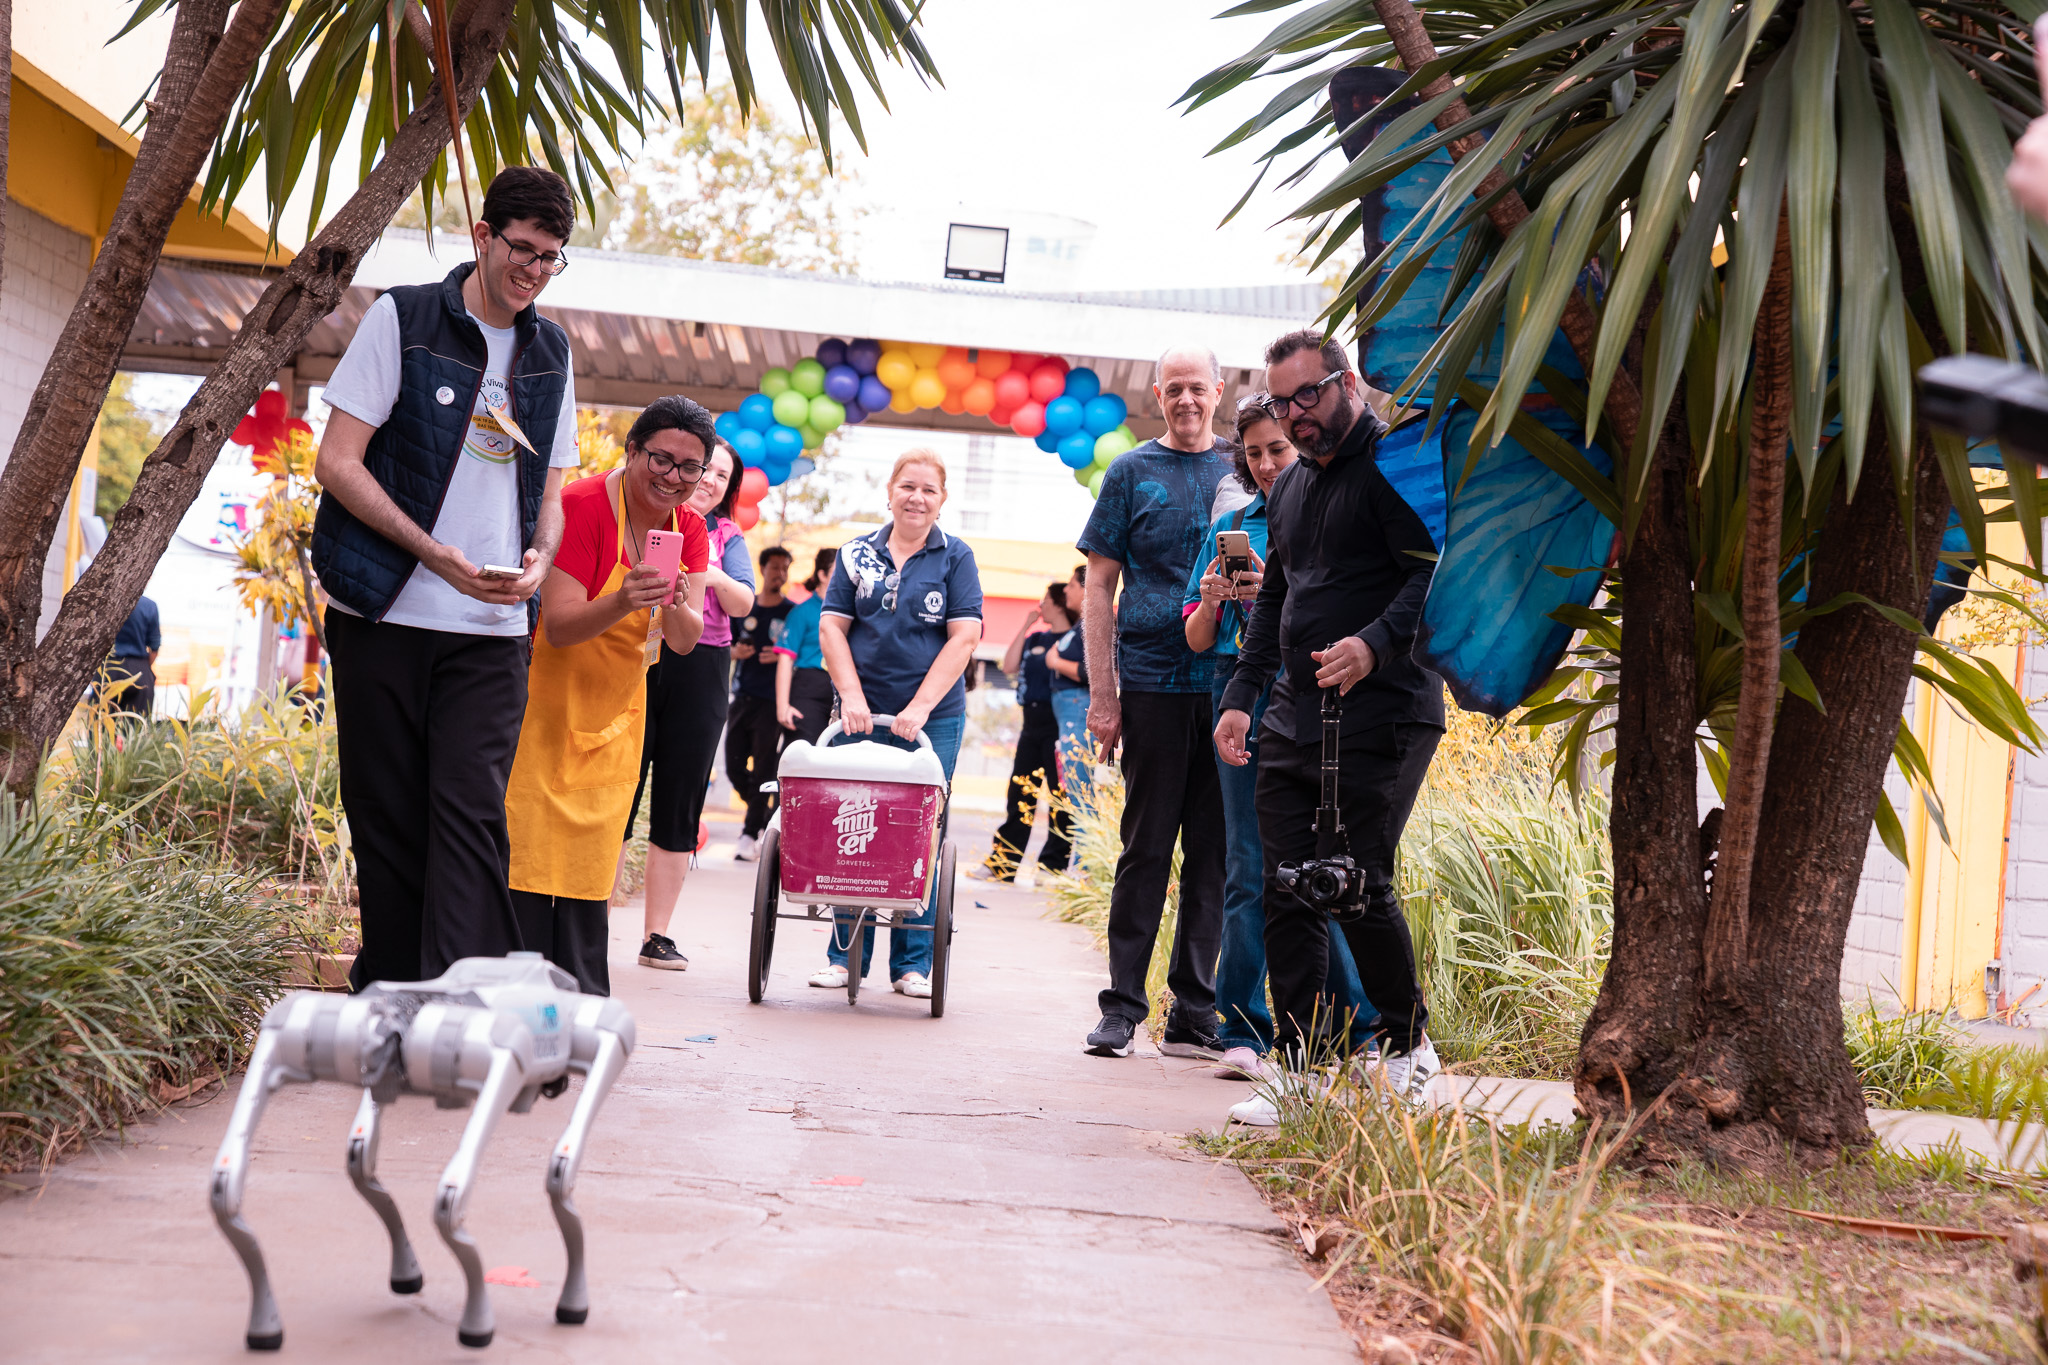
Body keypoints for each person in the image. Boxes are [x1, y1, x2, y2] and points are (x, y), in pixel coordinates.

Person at [310, 166, 581, 989]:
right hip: (385, 613)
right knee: (387, 818)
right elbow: (337, 462)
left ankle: (466, 1002)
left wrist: (540, 560)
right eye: (523, 250)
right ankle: (392, 993)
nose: (534, 271)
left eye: (551, 258)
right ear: (483, 235)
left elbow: (552, 493)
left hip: (493, 632)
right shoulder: (404, 318)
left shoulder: (551, 351)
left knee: (470, 819)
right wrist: (433, 555)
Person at [1215, 330, 1446, 1123]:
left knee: (1355, 881)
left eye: (1307, 395)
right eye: (1282, 402)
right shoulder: (1288, 488)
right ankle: (1301, 1069)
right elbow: (1277, 597)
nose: (1295, 414)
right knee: (1288, 888)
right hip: (1294, 713)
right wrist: (1243, 691)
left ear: (1348, 384)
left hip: (1387, 710)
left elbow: (1432, 573)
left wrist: (1374, 644)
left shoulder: (1397, 467)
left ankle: (1411, 1049)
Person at [1185, 397, 1374, 1081]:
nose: (1267, 464)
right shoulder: (1231, 526)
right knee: (1248, 865)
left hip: (1313, 691)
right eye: (1255, 452)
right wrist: (1213, 601)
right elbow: (1195, 637)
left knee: (1331, 864)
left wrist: (1276, 593)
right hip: (1237, 688)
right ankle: (1241, 1028)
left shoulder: (1331, 516)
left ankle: (1357, 1031)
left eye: (1278, 450)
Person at [504, 399, 710, 994]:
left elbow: (684, 640)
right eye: (661, 459)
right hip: (544, 715)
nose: (673, 477)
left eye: (689, 467)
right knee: (527, 874)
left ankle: (579, 1014)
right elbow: (560, 626)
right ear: (632, 450)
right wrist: (623, 599)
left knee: (589, 883)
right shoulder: (582, 507)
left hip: (618, 717)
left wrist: (675, 604)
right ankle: (516, 1010)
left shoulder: (690, 529)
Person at [1075, 345, 1239, 1059]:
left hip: (1229, 684)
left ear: (1219, 389)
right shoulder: (1130, 471)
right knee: (1144, 848)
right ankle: (1121, 1009)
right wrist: (1103, 695)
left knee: (1214, 854)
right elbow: (1097, 588)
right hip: (1150, 685)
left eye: (1197, 387)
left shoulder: (1244, 466)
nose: (1186, 400)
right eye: (1174, 388)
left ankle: (1193, 1009)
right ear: (1157, 394)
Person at [808, 451, 982, 999]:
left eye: (929, 490)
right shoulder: (856, 553)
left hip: (933, 718)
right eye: (908, 486)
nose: (916, 498)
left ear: (942, 500)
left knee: (919, 832)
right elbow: (832, 628)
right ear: (889, 491)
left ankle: (911, 964)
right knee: (851, 826)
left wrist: (920, 709)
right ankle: (843, 957)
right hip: (860, 711)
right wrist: (852, 698)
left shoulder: (956, 556)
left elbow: (965, 637)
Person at [620, 442, 756, 970]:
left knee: (679, 799)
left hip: (702, 668)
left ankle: (656, 936)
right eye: (707, 469)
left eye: (723, 476)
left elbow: (743, 601)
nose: (712, 481)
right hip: (637, 656)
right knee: (619, 788)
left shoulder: (727, 536)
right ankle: (589, 924)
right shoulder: (643, 515)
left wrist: (710, 574)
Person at [971, 581, 1074, 881]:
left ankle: (1052, 866)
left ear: (1058, 603)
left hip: (1058, 724)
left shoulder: (1073, 639)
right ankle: (1003, 864)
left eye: (1045, 600)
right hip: (1031, 724)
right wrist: (1026, 626)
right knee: (1020, 793)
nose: (1040, 605)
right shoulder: (1036, 638)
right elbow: (1009, 666)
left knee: (1059, 797)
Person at [726, 545, 795, 860]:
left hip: (771, 701)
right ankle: (766, 814)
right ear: (763, 568)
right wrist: (735, 653)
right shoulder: (744, 606)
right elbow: (724, 643)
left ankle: (750, 832)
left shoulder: (791, 612)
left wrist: (781, 658)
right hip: (741, 696)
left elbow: (799, 651)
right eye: (775, 567)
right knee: (734, 767)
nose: (780, 574)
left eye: (785, 568)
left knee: (764, 768)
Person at [775, 547, 838, 746]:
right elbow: (785, 659)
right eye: (838, 571)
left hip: (841, 690)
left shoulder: (851, 613)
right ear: (822, 575)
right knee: (804, 753)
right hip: (808, 690)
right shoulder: (801, 612)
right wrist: (782, 706)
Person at [1044, 567, 1092, 815]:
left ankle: (1086, 841)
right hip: (1068, 709)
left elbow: (1094, 670)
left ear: (1087, 589)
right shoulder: (1081, 624)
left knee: (1080, 788)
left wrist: (1056, 662)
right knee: (1073, 786)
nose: (1065, 590)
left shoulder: (1095, 622)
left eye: (1072, 585)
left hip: (1078, 707)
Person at [100, 594, 161, 720]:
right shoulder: (149, 606)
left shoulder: (106, 601)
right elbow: (154, 647)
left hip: (108, 668)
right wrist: (144, 668)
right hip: (138, 670)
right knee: (137, 724)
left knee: (101, 722)